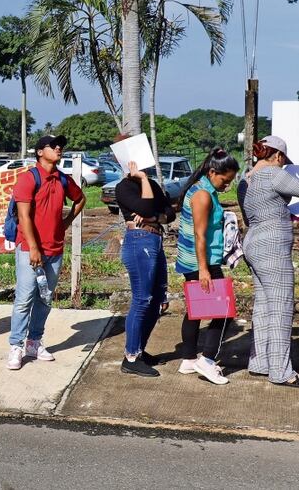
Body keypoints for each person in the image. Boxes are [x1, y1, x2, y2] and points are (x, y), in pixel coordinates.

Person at [7, 135, 85, 371]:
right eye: (54, 146)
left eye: (61, 146)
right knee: (24, 299)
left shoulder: (63, 179)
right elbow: (24, 216)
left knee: (45, 298)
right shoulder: (28, 179)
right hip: (29, 249)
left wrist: (66, 222)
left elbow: (80, 199)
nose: (59, 148)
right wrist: (33, 248)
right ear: (40, 152)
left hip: (55, 248)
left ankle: (34, 342)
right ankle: (16, 346)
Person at [175, 147, 240, 386]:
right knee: (224, 311)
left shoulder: (202, 189)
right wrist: (204, 269)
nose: (228, 185)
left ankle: (188, 359)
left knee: (196, 309)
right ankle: (208, 360)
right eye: (226, 179)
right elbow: (200, 235)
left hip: (191, 260)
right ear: (213, 172)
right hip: (201, 261)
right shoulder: (202, 195)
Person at [239, 136, 299, 387]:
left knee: (263, 305)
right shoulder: (275, 173)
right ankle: (281, 371)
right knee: (281, 306)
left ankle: (260, 363)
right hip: (272, 243)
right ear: (279, 157)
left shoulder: (246, 178)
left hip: (253, 240)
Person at [114, 156, 175, 377]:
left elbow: (169, 213)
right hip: (139, 240)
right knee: (142, 299)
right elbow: (147, 205)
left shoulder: (152, 185)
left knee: (158, 300)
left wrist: (153, 216)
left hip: (155, 240)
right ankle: (131, 357)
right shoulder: (123, 187)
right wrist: (141, 179)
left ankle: (139, 350)